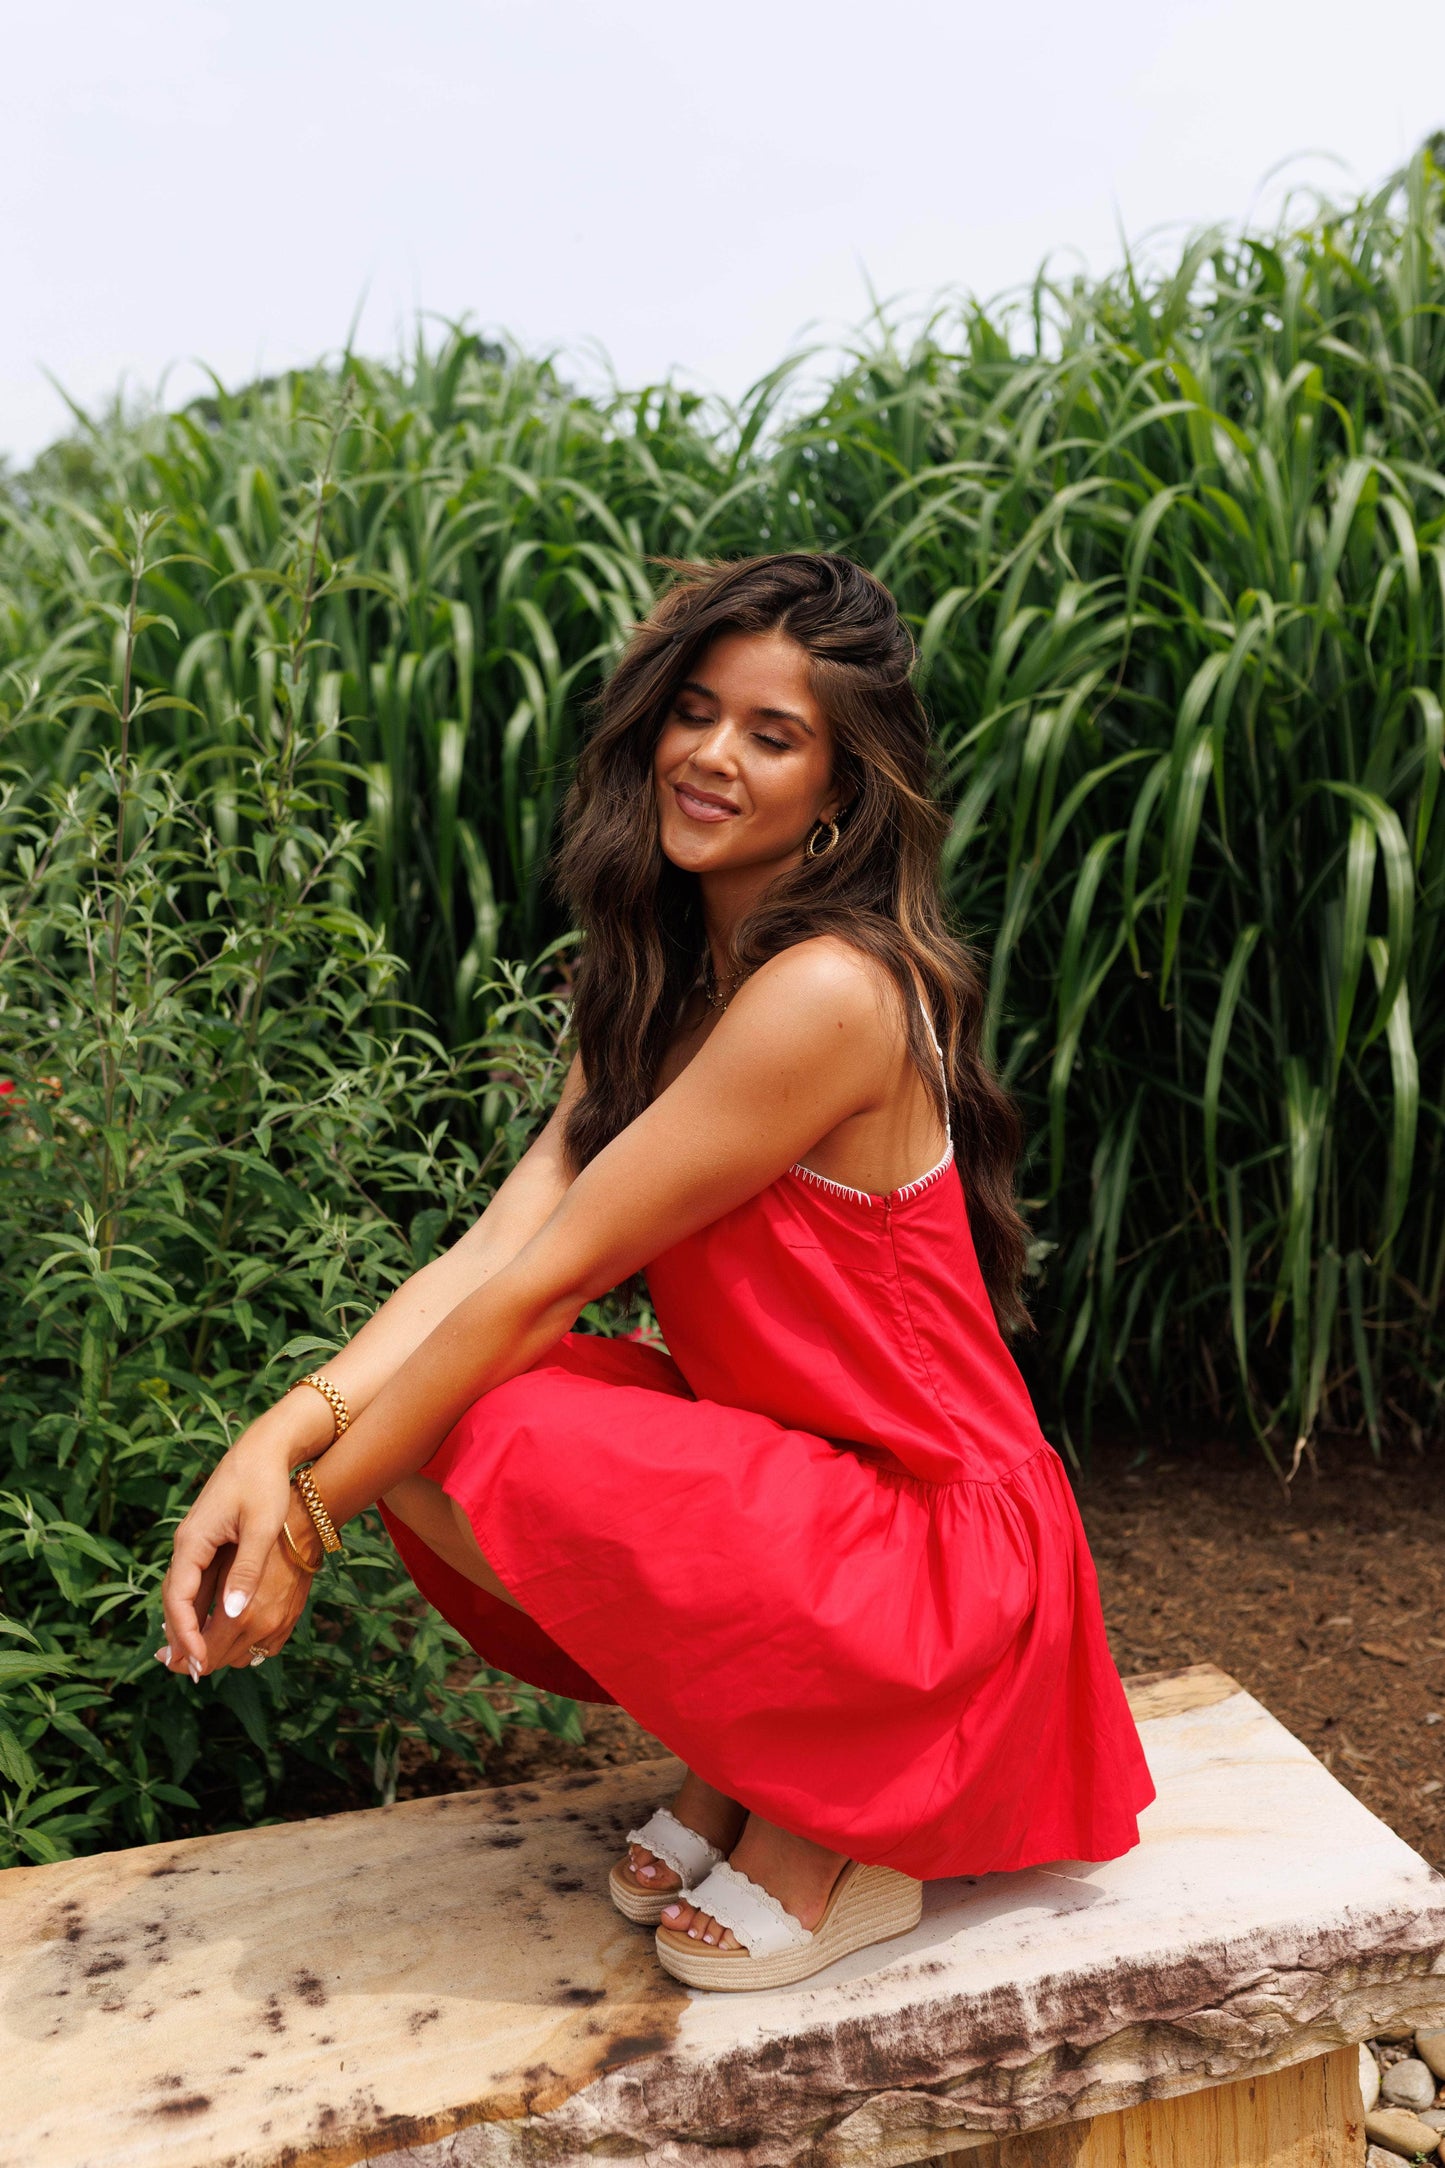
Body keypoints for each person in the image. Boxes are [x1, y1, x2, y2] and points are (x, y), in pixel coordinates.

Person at [157, 552, 1153, 1992]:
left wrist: (307, 1515)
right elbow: (492, 1251)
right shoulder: (661, 978)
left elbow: (539, 1285)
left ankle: (842, 1808)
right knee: (456, 1407)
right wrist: (284, 1431)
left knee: (490, 1408)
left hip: (943, 1570)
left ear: (843, 790)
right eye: (696, 709)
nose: (710, 756)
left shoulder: (827, 992)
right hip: (819, 1503)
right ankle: (752, 1753)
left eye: (773, 733)